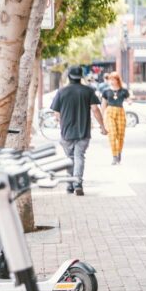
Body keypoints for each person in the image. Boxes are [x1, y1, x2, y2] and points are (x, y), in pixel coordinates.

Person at [50, 65, 107, 196]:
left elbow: (56, 114)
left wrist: (62, 120)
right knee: (79, 156)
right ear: (81, 76)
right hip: (83, 131)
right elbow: (95, 109)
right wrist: (102, 127)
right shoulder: (88, 90)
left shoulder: (61, 91)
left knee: (70, 158)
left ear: (69, 76)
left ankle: (70, 185)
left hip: (66, 132)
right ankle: (78, 183)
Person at [101, 72, 130, 165]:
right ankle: (114, 156)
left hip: (120, 112)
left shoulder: (123, 91)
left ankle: (119, 153)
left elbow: (129, 99)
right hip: (109, 112)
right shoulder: (106, 91)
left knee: (120, 135)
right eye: (110, 79)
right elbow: (103, 104)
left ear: (118, 80)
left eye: (114, 79)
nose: (112, 81)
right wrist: (102, 117)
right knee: (112, 134)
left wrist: (130, 101)